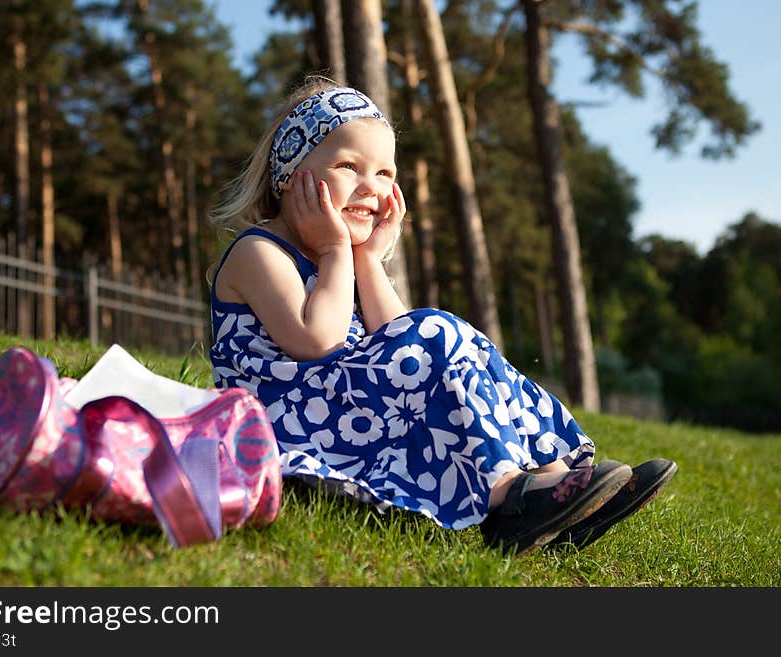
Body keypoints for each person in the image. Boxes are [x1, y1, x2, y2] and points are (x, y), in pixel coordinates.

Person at [207, 76, 677, 556]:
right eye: (349, 166)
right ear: (290, 176)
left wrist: (368, 259)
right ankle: (509, 500)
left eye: (386, 174)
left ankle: (558, 486)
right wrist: (335, 249)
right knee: (437, 330)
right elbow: (316, 342)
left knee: (459, 340)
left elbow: (396, 338)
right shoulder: (260, 252)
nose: (372, 188)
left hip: (341, 408)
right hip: (288, 419)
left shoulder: (344, 260)